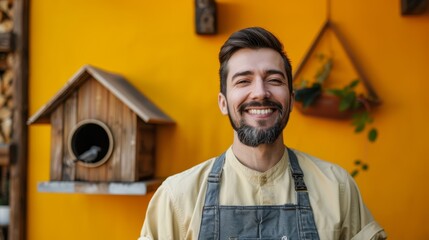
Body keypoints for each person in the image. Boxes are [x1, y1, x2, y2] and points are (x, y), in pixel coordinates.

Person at [138, 27, 387, 240]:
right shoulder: (177, 197)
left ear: (290, 99)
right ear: (223, 102)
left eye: (274, 80)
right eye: (243, 81)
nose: (260, 92)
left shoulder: (337, 188)